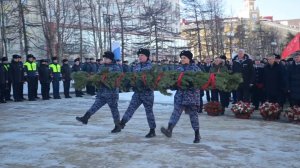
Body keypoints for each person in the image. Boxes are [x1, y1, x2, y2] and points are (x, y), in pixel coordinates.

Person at [76, 51, 123, 133]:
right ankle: (85, 118)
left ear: (110, 59)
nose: (104, 59)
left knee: (114, 110)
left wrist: (103, 78)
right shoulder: (102, 66)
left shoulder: (116, 67)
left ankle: (117, 126)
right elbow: (97, 76)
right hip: (101, 92)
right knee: (95, 105)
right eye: (104, 58)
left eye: (106, 58)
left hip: (111, 93)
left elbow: (115, 79)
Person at [161, 50, 201, 143]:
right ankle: (169, 129)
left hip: (192, 96)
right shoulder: (179, 69)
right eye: (181, 58)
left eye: (184, 58)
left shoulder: (196, 69)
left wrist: (191, 84)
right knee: (175, 113)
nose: (182, 59)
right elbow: (174, 81)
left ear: (189, 59)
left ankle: (197, 134)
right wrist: (172, 85)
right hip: (180, 96)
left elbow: (200, 82)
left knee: (193, 116)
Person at [119, 48, 157, 138]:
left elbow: (154, 81)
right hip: (137, 93)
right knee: (130, 108)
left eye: (142, 55)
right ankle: (121, 124)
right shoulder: (136, 66)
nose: (140, 57)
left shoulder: (152, 67)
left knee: (149, 112)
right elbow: (133, 77)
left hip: (147, 93)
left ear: (147, 56)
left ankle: (152, 130)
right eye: (139, 55)